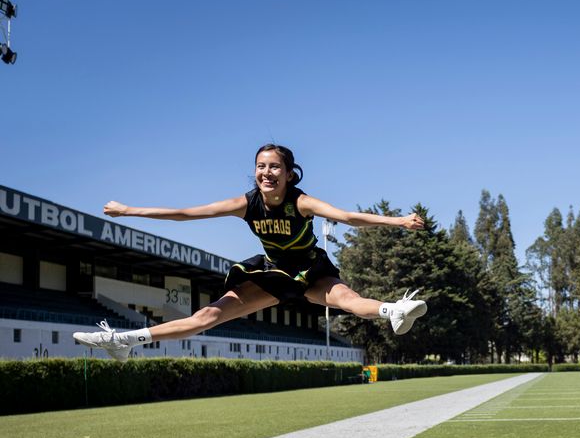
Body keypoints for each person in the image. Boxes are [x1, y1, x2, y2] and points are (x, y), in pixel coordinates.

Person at [74, 144, 427, 361]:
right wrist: (130, 210)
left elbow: (347, 217)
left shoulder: (300, 202)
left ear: (289, 174)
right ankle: (122, 341)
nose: (266, 172)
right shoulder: (247, 204)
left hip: (310, 271)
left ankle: (394, 309)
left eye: (274, 167)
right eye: (261, 166)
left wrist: (398, 221)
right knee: (204, 318)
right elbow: (187, 213)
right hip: (271, 275)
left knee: (348, 300)